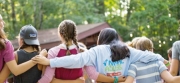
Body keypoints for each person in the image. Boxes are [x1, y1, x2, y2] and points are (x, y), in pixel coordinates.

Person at [32, 28, 168, 82]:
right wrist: (165, 61)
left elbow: (75, 60)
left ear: (101, 39)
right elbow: (150, 55)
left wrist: (50, 62)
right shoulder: (127, 50)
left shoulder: (96, 51)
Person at [0, 15, 41, 83]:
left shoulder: (15, 55)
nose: (3, 23)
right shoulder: (41, 57)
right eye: (1, 20)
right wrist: (36, 59)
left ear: (21, 40)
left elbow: (15, 71)